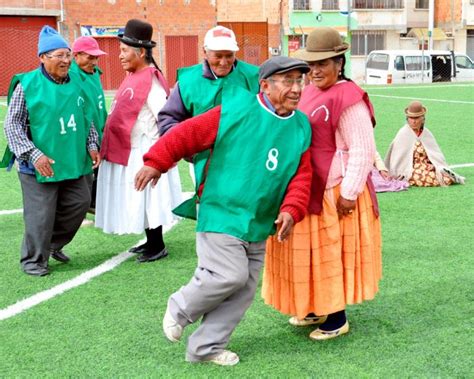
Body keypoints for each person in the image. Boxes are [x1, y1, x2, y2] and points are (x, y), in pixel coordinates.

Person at [135, 56, 312, 365]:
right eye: (288, 81)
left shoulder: (300, 126)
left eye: (299, 81)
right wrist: (156, 162)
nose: (296, 88)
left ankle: (205, 349)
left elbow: (301, 175)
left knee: (243, 290)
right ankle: (179, 307)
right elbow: (186, 133)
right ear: (265, 85)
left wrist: (291, 210)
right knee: (229, 274)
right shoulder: (235, 108)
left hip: (259, 221)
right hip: (221, 210)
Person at [262, 27, 382, 340]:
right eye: (311, 64)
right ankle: (315, 307)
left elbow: (362, 148)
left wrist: (351, 192)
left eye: (324, 63)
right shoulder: (311, 91)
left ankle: (336, 317)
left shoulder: (349, 97)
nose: (315, 70)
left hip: (336, 192)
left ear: (339, 63)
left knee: (330, 253)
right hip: (307, 188)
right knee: (308, 253)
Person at [2, 26, 100, 276]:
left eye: (68, 55)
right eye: (59, 55)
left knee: (80, 203)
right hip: (38, 164)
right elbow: (12, 124)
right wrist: (34, 154)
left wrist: (91, 144)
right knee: (40, 217)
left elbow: (85, 116)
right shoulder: (28, 85)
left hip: (73, 159)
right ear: (43, 57)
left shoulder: (77, 80)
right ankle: (33, 260)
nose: (66, 60)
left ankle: (52, 245)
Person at [95, 19, 182, 263]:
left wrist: (161, 154)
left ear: (141, 52)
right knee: (140, 198)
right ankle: (150, 241)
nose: (120, 56)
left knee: (149, 198)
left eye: (124, 51)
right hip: (131, 149)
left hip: (146, 149)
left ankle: (157, 244)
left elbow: (163, 115)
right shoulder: (133, 76)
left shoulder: (150, 79)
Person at [158, 25, 259, 191]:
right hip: (204, 161)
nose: (224, 62)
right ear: (205, 52)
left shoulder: (254, 77)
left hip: (247, 160)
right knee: (209, 208)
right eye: (218, 56)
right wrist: (190, 149)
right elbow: (168, 120)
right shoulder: (188, 82)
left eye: (229, 56)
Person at [384, 101, 464, 187]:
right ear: (407, 119)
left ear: (422, 118)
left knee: (447, 177)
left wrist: (434, 165)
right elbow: (397, 158)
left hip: (426, 166)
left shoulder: (426, 133)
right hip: (410, 169)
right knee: (429, 178)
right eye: (411, 118)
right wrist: (402, 171)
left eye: (416, 118)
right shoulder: (403, 134)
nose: (414, 121)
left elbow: (435, 154)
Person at [71, 36, 108, 212]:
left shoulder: (95, 73)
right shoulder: (70, 76)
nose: (94, 61)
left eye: (96, 57)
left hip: (100, 132)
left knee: (99, 169)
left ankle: (93, 202)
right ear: (76, 55)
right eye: (89, 57)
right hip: (81, 135)